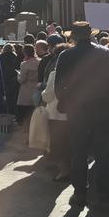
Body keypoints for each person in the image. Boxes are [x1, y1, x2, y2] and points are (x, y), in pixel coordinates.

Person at [55, 21, 109, 208]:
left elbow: (58, 85)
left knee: (78, 152)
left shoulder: (66, 55)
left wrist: (66, 103)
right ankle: (103, 192)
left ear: (74, 36)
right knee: (101, 153)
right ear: (90, 35)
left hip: (77, 110)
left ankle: (80, 192)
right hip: (100, 109)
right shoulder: (104, 53)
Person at [42, 43, 71, 182]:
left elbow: (48, 96)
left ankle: (64, 170)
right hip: (74, 113)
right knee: (71, 143)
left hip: (56, 114)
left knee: (58, 144)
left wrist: (41, 92)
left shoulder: (54, 74)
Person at [16, 44, 40, 130]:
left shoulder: (24, 64)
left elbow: (21, 80)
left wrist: (18, 75)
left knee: (24, 112)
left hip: (26, 90)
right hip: (36, 89)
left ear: (24, 53)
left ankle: (25, 130)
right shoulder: (40, 62)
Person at [0, 43, 20, 116]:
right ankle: (12, 114)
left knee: (3, 98)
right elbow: (17, 68)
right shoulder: (15, 57)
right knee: (12, 99)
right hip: (12, 80)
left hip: (2, 79)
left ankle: (3, 113)